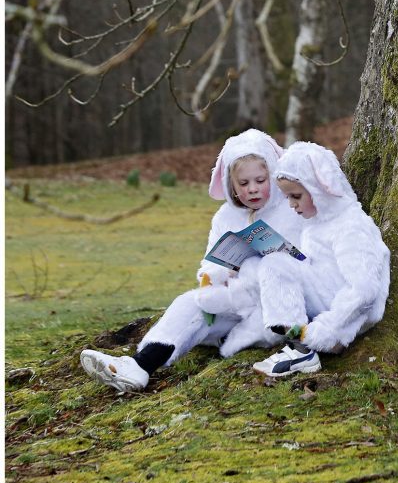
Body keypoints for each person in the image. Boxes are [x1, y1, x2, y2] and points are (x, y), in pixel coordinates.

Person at [80, 129, 302, 393]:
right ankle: (139, 365)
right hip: (231, 304)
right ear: (231, 185)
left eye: (260, 180)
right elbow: (209, 265)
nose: (252, 189)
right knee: (188, 303)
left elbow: (304, 262)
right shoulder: (225, 218)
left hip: (271, 313)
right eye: (243, 184)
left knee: (263, 272)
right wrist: (218, 274)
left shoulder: (292, 209)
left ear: (273, 175)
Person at [252, 141, 390, 378]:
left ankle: (302, 348)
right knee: (273, 262)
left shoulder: (350, 225)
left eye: (296, 196)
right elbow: (320, 266)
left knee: (275, 265)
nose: (292, 204)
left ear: (320, 188)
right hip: (326, 296)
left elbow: (364, 289)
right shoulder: (316, 223)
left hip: (344, 314)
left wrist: (327, 330)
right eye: (287, 197)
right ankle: (293, 336)